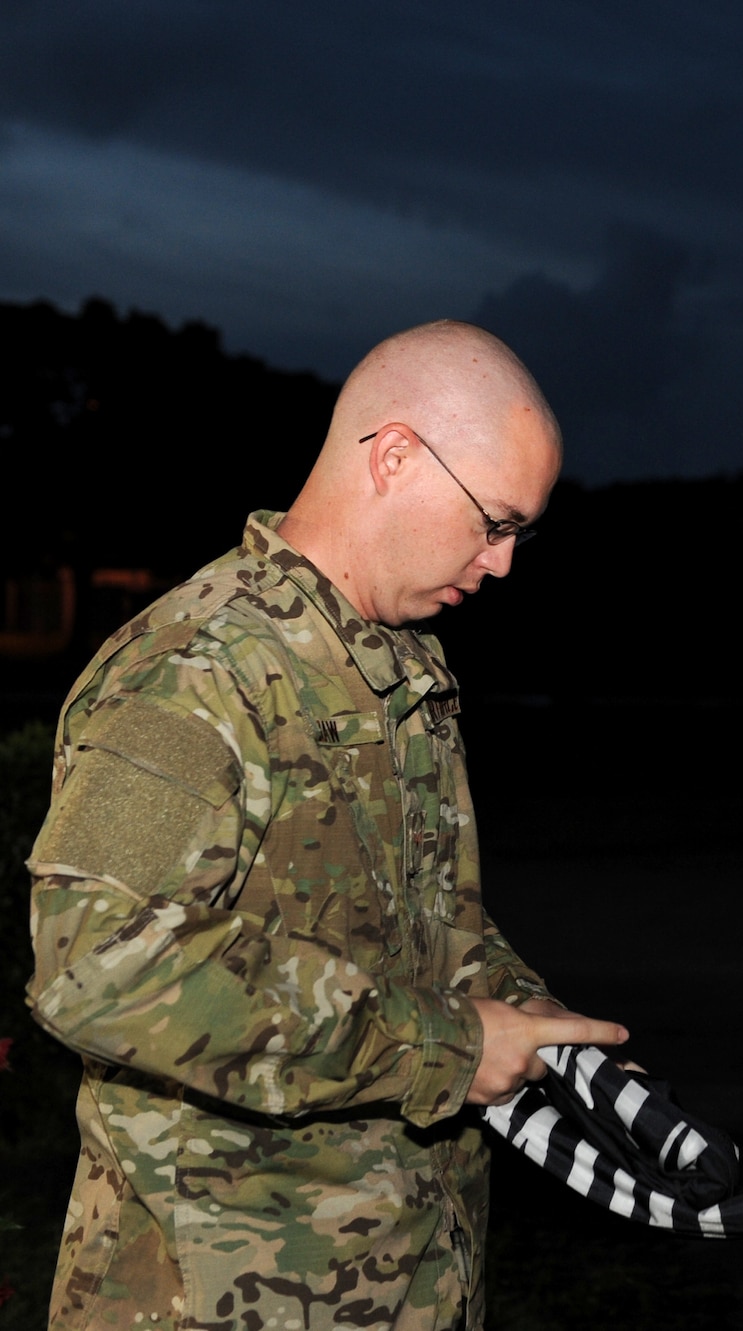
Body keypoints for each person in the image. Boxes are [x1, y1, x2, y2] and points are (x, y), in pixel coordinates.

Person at [24, 321, 632, 1330]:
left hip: (407, 1275)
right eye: (492, 520)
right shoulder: (195, 671)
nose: (501, 563)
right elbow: (96, 964)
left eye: (519, 533)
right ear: (393, 456)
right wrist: (442, 1047)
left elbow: (435, 929)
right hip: (213, 1295)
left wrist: (544, 1037)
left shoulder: (399, 669)